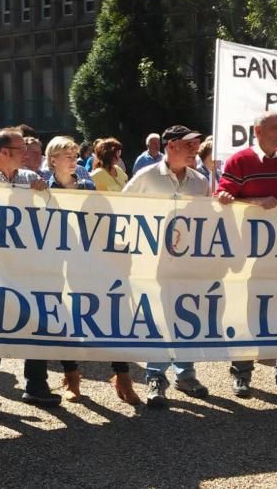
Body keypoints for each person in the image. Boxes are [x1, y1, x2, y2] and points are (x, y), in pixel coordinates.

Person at [215, 112, 277, 397]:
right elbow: (222, 198)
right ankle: (242, 374)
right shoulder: (240, 161)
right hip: (254, 256)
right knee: (253, 314)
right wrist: (253, 202)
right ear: (257, 131)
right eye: (273, 128)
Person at [41, 135, 140, 404]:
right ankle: (71, 377)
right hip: (58, 262)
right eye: (68, 156)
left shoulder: (87, 184)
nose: (75, 161)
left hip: (92, 260)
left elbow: (105, 221)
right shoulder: (42, 189)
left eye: (75, 156)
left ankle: (123, 377)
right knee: (67, 319)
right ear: (53, 160)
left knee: (109, 313)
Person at [124, 125, 212, 408]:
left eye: (197, 144)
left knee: (187, 316)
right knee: (159, 319)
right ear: (171, 146)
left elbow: (208, 222)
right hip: (154, 265)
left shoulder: (200, 182)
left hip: (188, 264)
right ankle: (155, 376)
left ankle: (185, 374)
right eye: (189, 144)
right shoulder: (146, 177)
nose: (195, 149)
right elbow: (119, 208)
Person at [0, 128, 54, 421]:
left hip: (28, 265)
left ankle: (36, 385)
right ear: (4, 152)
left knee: (35, 324)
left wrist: (46, 195)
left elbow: (52, 214)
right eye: (20, 149)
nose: (27, 154)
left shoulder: (31, 180)